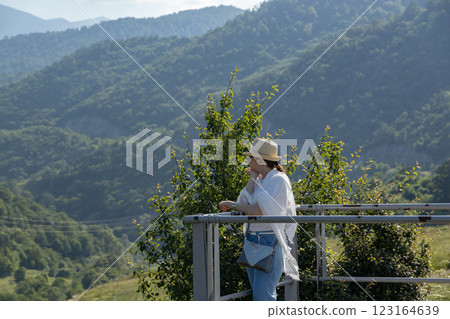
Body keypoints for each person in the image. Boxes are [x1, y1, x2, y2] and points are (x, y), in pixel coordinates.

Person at [219, 138, 299, 301]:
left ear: (260, 160)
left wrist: (232, 205)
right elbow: (243, 202)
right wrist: (252, 179)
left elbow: (256, 210)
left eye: (251, 157)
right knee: (260, 294)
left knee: (263, 296)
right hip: (254, 242)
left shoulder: (277, 179)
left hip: (269, 242)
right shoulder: (262, 179)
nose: (248, 160)